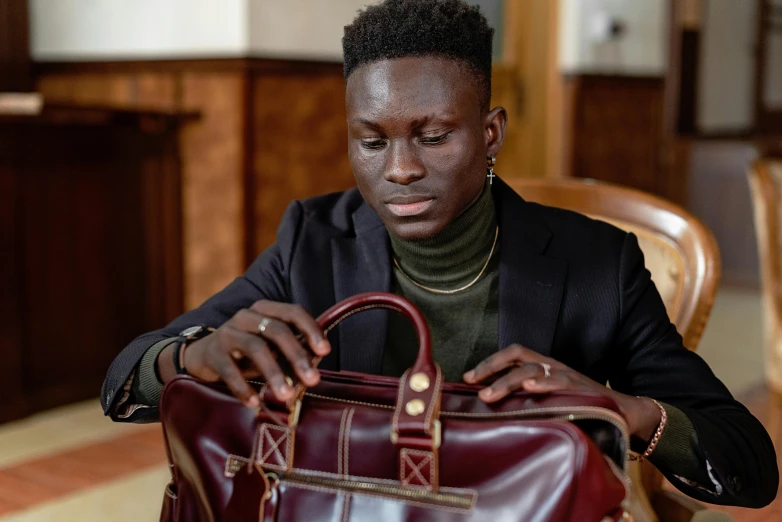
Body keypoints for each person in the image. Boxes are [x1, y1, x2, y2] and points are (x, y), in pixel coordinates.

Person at [101, 0, 777, 509]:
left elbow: (748, 462)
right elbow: (122, 382)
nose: (398, 170)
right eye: (371, 140)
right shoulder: (313, 240)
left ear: (490, 134)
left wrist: (619, 409)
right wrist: (189, 355)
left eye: (432, 136)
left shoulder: (597, 264)